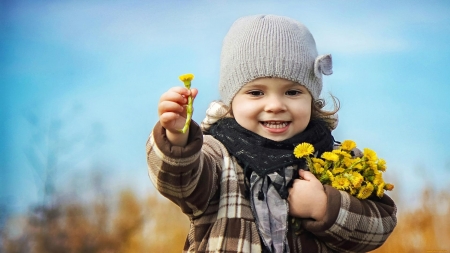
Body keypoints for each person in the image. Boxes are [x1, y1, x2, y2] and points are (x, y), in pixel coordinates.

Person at [146, 14, 397, 253]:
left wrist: (325, 207)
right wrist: (178, 138)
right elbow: (180, 183)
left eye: (292, 92)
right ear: (232, 101)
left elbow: (381, 225)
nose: (275, 105)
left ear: (312, 98)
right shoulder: (216, 153)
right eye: (256, 93)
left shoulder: (337, 159)